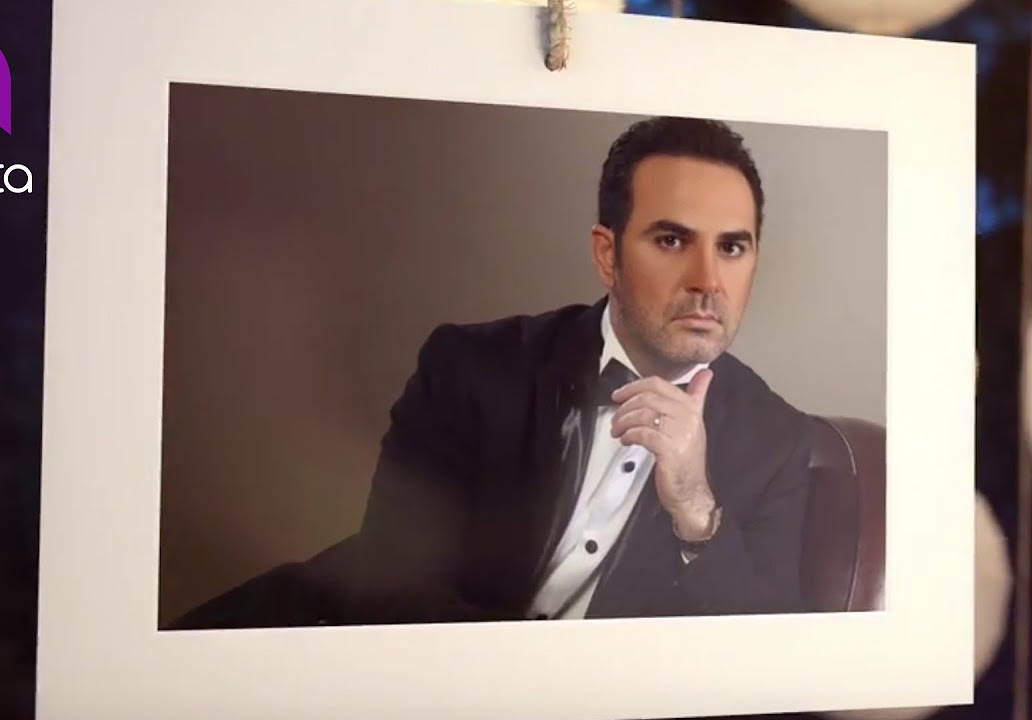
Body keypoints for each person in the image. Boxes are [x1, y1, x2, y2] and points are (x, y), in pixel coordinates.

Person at [169, 115, 817, 630]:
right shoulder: (470, 366)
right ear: (607, 254)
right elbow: (391, 591)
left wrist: (696, 511)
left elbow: (768, 665)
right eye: (672, 240)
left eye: (732, 247)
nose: (708, 280)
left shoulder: (778, 441)